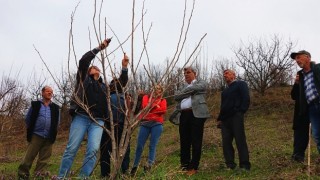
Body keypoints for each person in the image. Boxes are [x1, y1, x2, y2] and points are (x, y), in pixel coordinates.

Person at [58, 39, 110, 178]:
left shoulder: (104, 87)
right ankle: (61, 177)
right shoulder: (83, 79)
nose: (97, 68)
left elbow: (121, 84)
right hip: (81, 117)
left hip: (98, 121)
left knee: (93, 150)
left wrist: (124, 67)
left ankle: (83, 177)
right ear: (88, 71)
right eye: (94, 67)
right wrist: (99, 48)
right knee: (72, 148)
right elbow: (83, 61)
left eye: (98, 68)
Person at [171, 66, 211, 176]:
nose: (186, 75)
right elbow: (176, 96)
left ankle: (193, 167)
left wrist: (185, 91)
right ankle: (184, 166)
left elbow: (201, 87)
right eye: (184, 74)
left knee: (196, 141)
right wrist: (191, 90)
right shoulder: (183, 86)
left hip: (196, 115)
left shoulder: (201, 82)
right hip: (184, 115)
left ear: (195, 73)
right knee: (184, 141)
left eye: (188, 72)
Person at [18, 86, 60, 179]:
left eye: (51, 92)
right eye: (48, 91)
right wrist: (32, 130)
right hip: (36, 135)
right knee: (29, 157)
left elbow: (57, 122)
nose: (50, 93)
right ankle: (23, 175)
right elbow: (28, 119)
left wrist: (54, 132)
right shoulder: (36, 105)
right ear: (42, 93)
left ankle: (38, 176)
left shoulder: (55, 107)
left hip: (49, 137)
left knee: (44, 160)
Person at [100, 53, 130, 178]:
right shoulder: (106, 94)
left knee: (124, 150)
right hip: (108, 125)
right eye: (113, 83)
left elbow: (122, 80)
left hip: (123, 125)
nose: (115, 84)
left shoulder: (124, 96)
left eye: (117, 83)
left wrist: (124, 67)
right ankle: (105, 174)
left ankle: (124, 172)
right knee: (105, 151)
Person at [217, 69, 251, 170]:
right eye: (224, 74)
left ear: (233, 75)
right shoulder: (225, 91)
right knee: (226, 142)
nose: (225, 75)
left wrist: (241, 111)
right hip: (225, 120)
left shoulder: (241, 84)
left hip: (236, 116)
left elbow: (246, 98)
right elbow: (223, 106)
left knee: (240, 140)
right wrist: (219, 118)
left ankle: (244, 165)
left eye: (227, 73)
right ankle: (230, 165)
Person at [130, 84, 167, 175]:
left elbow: (163, 110)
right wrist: (156, 106)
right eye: (154, 88)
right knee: (139, 145)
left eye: (158, 89)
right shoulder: (146, 97)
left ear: (161, 91)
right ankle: (134, 167)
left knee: (152, 145)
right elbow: (145, 106)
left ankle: (149, 166)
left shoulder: (163, 100)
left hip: (157, 124)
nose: (155, 90)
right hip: (145, 123)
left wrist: (152, 107)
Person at [290, 50, 320, 161]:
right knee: (317, 134)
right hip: (311, 107)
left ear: (308, 57)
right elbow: (294, 96)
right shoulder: (300, 75)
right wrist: (297, 84)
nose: (297, 60)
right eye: (296, 59)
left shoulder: (318, 69)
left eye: (299, 57)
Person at [290, 73, 310, 162]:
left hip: (313, 109)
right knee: (299, 133)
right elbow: (293, 96)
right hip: (300, 112)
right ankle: (297, 154)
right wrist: (296, 83)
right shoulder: (299, 83)